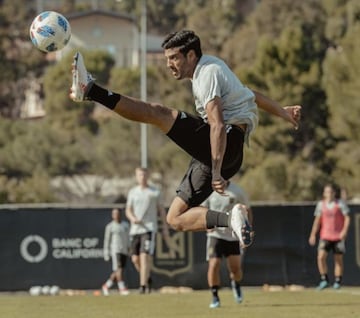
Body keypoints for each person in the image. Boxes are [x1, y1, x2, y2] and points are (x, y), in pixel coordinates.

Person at [70, 30, 301, 247]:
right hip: (227, 154)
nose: (169, 64)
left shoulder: (206, 74)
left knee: (159, 113)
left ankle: (90, 90)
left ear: (191, 55)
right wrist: (283, 112)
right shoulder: (213, 68)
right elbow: (252, 95)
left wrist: (217, 171)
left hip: (224, 145)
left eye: (174, 58)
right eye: (167, 58)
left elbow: (218, 125)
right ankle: (231, 220)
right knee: (175, 218)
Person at [202, 180, 253, 308]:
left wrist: (247, 230)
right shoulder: (209, 191)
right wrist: (207, 225)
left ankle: (236, 283)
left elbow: (247, 210)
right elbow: (202, 210)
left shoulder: (237, 191)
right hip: (215, 235)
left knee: (235, 270)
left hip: (233, 235)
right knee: (213, 264)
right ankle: (215, 296)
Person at [125, 167, 169, 294]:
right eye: (139, 175)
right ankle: (146, 278)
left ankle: (142, 286)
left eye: (144, 175)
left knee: (145, 256)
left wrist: (165, 228)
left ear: (147, 176)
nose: (142, 177)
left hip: (149, 228)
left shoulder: (154, 192)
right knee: (135, 259)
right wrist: (132, 218)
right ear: (136, 176)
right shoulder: (133, 192)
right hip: (135, 230)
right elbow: (128, 210)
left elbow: (161, 211)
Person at [308, 183, 351, 290]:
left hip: (338, 236)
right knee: (321, 257)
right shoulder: (321, 205)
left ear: (334, 193)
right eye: (327, 192)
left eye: (331, 192)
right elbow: (317, 221)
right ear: (324, 193)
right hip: (325, 235)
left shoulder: (340, 204)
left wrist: (344, 231)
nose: (329, 194)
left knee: (338, 259)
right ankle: (324, 279)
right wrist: (313, 234)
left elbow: (347, 218)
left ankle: (337, 281)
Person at [102, 208, 130, 296]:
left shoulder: (126, 225)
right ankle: (121, 288)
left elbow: (128, 238)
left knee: (118, 271)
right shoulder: (110, 227)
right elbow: (107, 240)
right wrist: (106, 253)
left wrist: (129, 248)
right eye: (114, 214)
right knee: (119, 269)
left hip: (124, 250)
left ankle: (106, 286)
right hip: (115, 250)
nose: (116, 215)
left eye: (117, 213)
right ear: (112, 215)